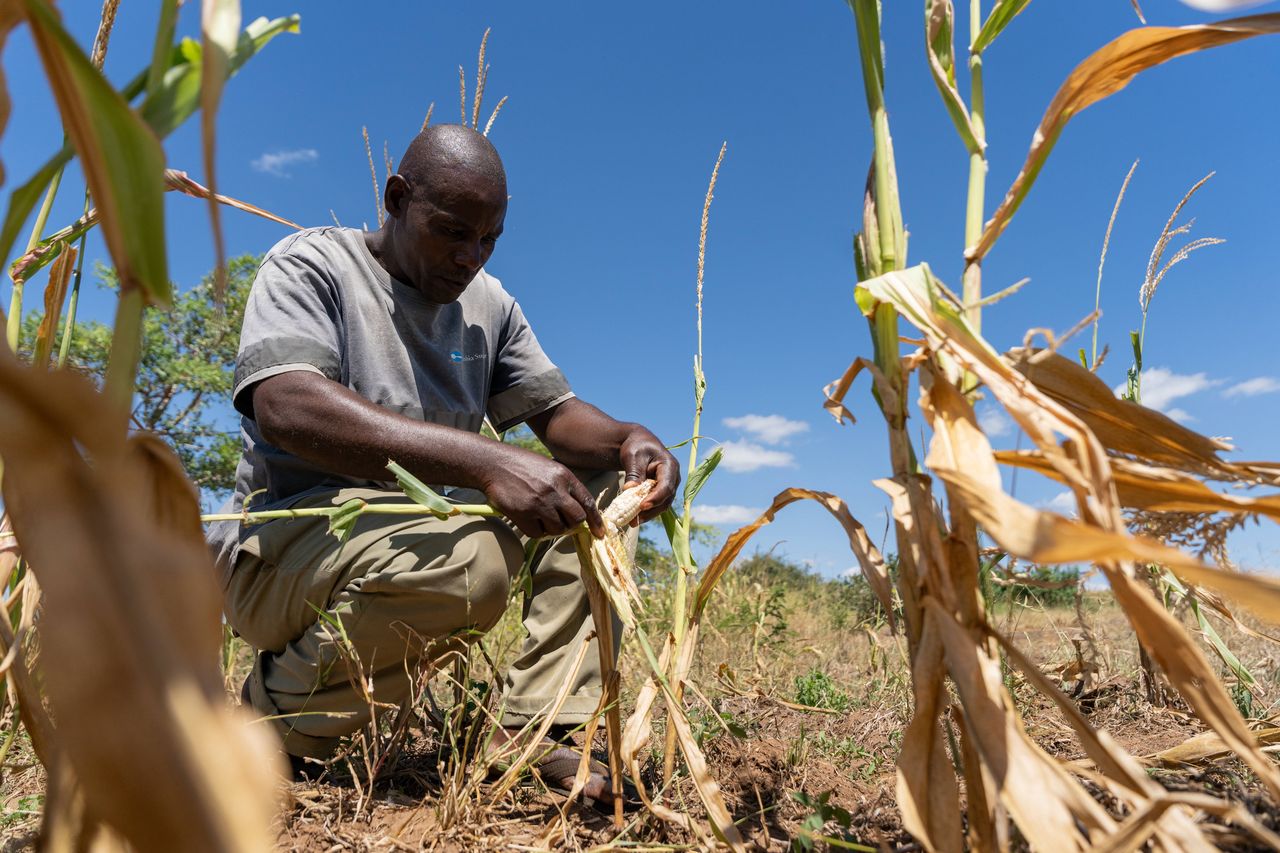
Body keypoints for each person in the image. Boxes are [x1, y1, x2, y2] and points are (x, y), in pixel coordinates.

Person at [208, 124, 680, 803]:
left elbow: (559, 417)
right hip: (282, 553)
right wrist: (485, 459)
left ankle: (535, 730)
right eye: (453, 231)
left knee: (604, 489)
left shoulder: (489, 305)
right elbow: (287, 404)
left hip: (420, 543)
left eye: (489, 239)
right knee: (474, 559)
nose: (471, 256)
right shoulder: (311, 265)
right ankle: (276, 726)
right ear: (397, 198)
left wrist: (628, 438)